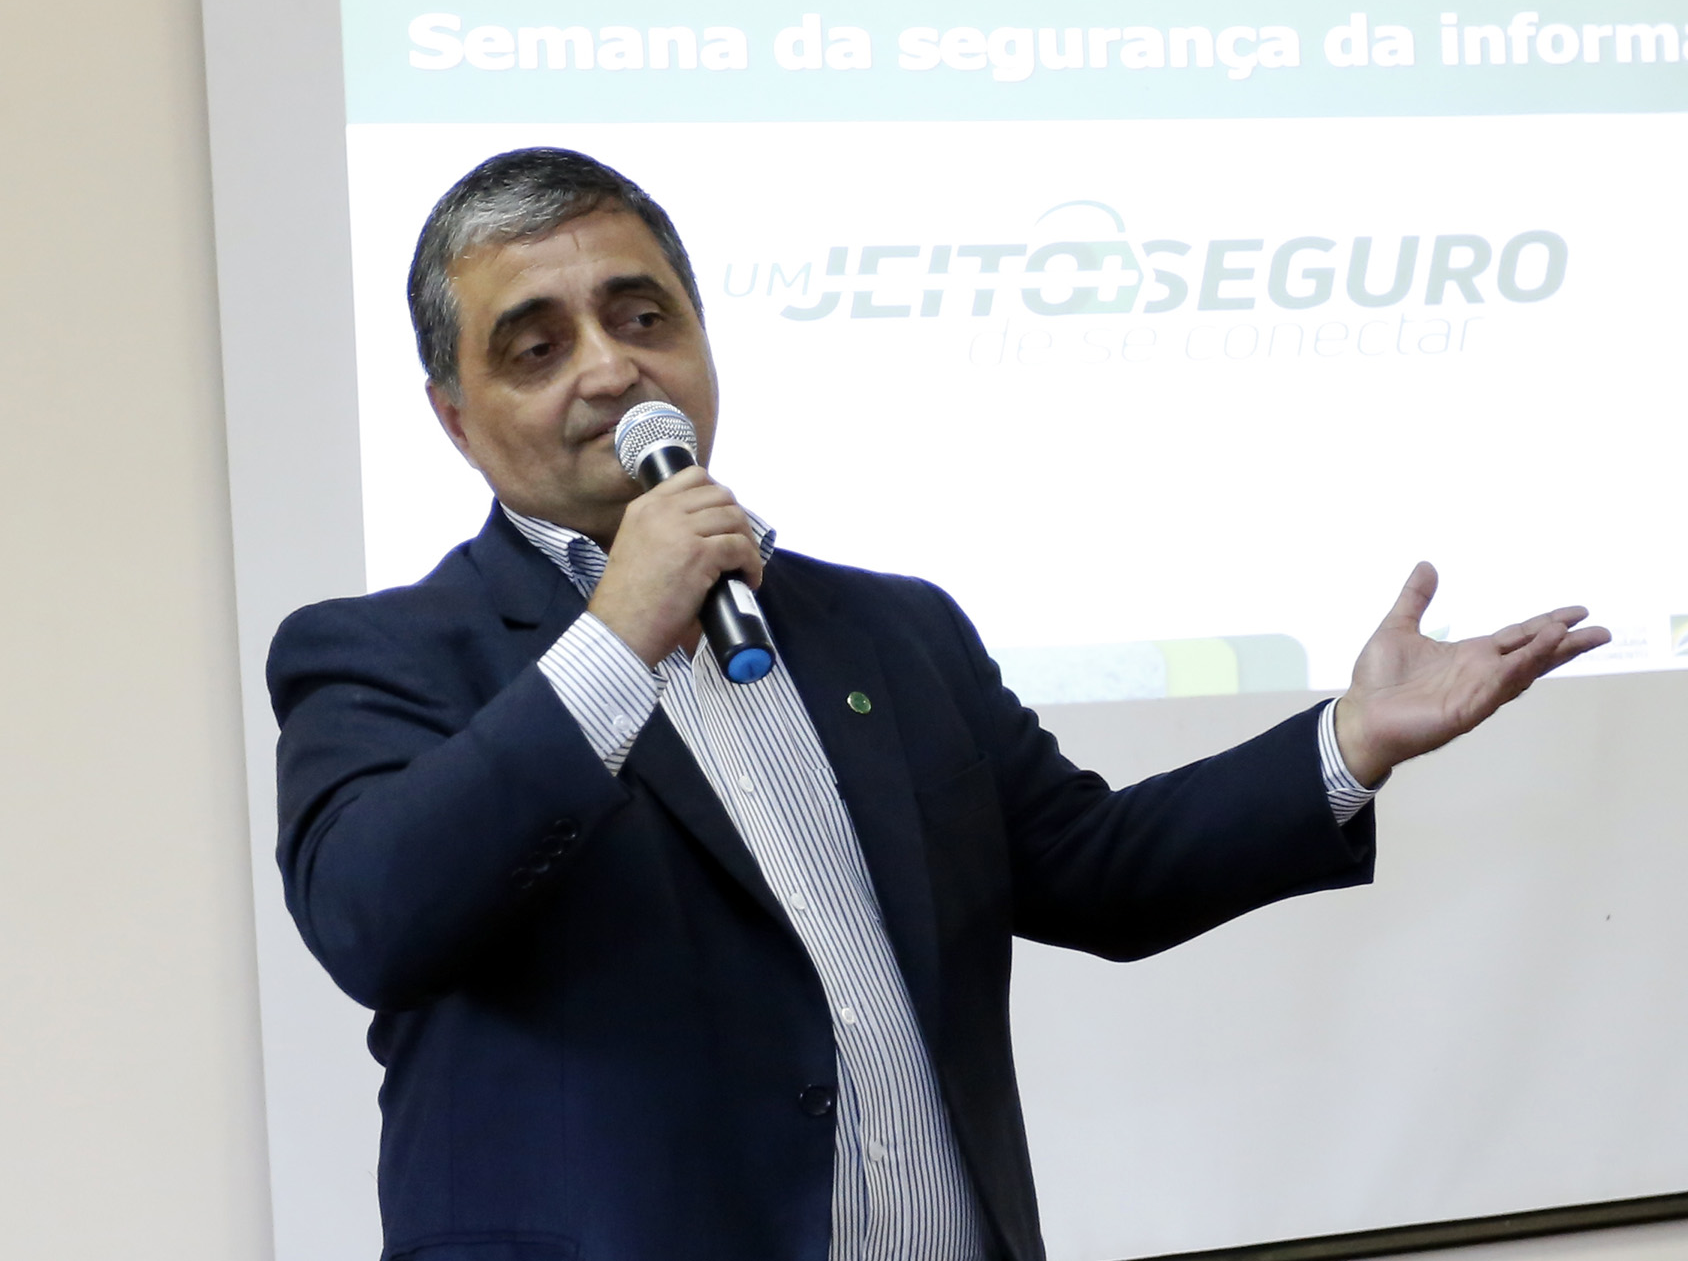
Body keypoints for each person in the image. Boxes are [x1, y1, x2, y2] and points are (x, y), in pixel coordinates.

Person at [268, 147, 1607, 1261]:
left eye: (643, 318)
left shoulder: (888, 628)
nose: (611, 370)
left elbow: (1095, 869)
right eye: (537, 345)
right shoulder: (382, 654)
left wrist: (1349, 742)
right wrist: (621, 630)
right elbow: (378, 916)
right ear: (455, 416)